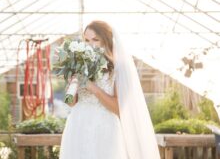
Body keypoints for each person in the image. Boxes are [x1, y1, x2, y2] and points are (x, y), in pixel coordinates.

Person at [59, 20, 160, 159]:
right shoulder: (80, 64)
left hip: (105, 128)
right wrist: (72, 84)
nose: (90, 44)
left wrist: (93, 87)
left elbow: (119, 109)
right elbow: (69, 102)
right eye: (86, 40)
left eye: (95, 39)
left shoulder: (119, 68)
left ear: (106, 41)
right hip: (78, 125)